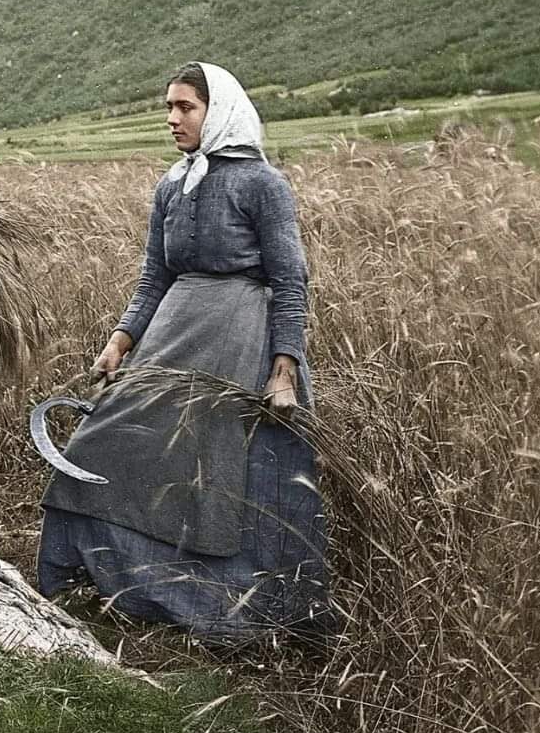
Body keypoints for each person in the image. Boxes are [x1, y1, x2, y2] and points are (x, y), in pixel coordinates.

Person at [36, 61, 333, 648]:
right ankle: (100, 581)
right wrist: (119, 341)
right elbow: (154, 277)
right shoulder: (172, 184)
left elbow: (291, 281)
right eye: (168, 107)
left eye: (185, 108)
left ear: (216, 111)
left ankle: (242, 615)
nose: (172, 119)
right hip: (171, 335)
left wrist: (283, 370)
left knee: (225, 476)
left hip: (240, 341)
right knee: (100, 444)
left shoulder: (262, 185)